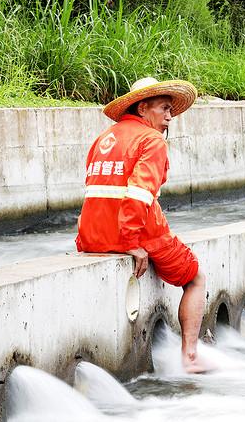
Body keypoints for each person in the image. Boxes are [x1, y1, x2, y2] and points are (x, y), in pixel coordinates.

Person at [76, 77, 208, 373]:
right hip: (135, 234)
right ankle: (190, 356)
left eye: (171, 110)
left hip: (91, 236)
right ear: (143, 106)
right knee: (196, 277)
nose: (169, 117)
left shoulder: (104, 139)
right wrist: (131, 242)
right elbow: (138, 195)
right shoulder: (151, 141)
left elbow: (93, 191)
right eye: (164, 108)